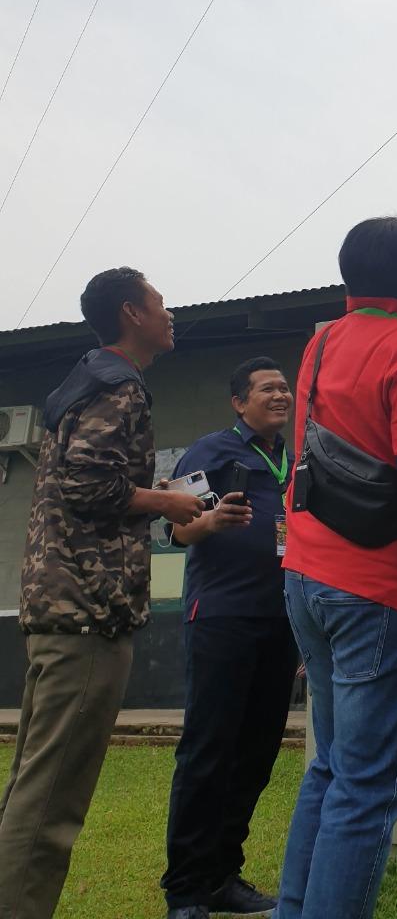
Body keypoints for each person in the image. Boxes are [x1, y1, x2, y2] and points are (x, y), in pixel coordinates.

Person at [276, 217, 397, 919]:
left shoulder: (324, 342)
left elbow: (381, 303)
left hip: (306, 579)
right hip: (379, 597)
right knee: (365, 790)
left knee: (331, 769)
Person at [0, 267, 204, 919]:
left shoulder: (82, 381)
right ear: (131, 313)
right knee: (50, 802)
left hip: (54, 605)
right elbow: (89, 486)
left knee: (32, 786)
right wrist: (171, 500)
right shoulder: (120, 387)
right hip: (87, 611)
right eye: (160, 303)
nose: (170, 313)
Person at [161, 358, 300, 919]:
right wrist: (209, 524)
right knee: (209, 750)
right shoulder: (212, 452)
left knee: (257, 752)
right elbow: (177, 527)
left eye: (285, 387)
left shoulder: (297, 457)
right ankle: (187, 891)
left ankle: (222, 875)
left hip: (283, 619)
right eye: (268, 388)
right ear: (239, 402)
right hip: (220, 616)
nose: (281, 395)